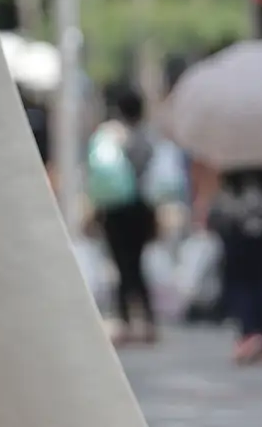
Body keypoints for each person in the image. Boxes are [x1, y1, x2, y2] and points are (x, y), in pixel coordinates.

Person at [201, 165, 262, 365]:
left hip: (237, 219)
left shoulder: (233, 155)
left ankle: (249, 332)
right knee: (261, 277)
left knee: (240, 278)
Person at [91, 86, 157, 346]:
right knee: (137, 264)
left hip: (115, 209)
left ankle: (125, 320)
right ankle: (147, 320)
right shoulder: (147, 138)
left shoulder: (110, 137)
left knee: (121, 265)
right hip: (141, 209)